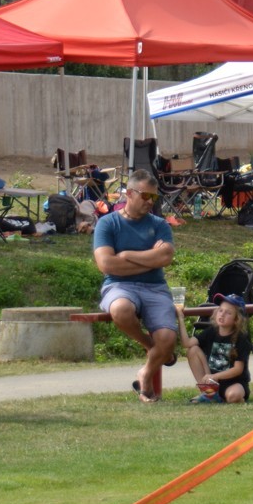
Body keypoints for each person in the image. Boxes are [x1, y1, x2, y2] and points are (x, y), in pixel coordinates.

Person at [94, 169, 179, 403]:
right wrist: (150, 259)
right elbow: (106, 265)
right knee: (121, 309)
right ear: (129, 194)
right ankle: (150, 346)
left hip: (155, 288)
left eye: (154, 197)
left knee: (168, 338)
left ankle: (145, 375)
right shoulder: (107, 223)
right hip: (118, 286)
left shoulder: (160, 224)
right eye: (146, 196)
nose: (150, 202)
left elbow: (166, 257)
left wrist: (127, 255)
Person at [188, 293, 251, 403]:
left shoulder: (241, 338)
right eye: (220, 310)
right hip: (212, 382)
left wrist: (216, 376)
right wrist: (180, 319)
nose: (222, 314)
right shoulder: (211, 331)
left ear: (237, 319)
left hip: (233, 382)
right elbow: (187, 343)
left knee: (234, 396)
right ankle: (208, 393)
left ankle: (225, 397)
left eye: (228, 313)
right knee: (193, 350)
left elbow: (238, 369)